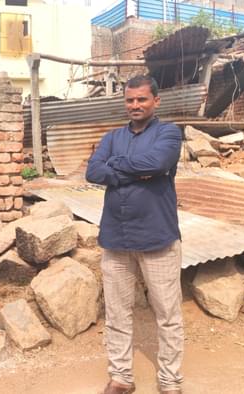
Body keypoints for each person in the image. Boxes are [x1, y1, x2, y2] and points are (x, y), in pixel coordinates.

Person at [86, 75, 184, 394]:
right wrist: (136, 171)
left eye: (142, 99)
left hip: (157, 236)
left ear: (156, 100)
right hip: (116, 237)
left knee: (167, 314)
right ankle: (121, 378)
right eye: (130, 100)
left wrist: (116, 169)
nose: (135, 105)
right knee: (117, 313)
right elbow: (93, 171)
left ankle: (170, 380)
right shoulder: (112, 137)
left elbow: (158, 162)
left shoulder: (168, 133)